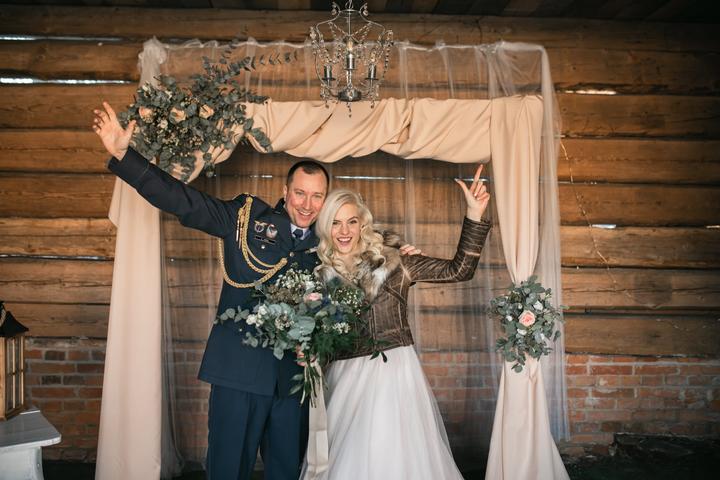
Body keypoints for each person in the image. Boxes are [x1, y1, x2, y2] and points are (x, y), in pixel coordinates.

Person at [92, 102, 326, 480]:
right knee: (227, 470)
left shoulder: (329, 243)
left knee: (288, 471)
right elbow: (184, 201)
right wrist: (124, 155)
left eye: (317, 196)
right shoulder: (246, 218)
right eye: (301, 193)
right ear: (286, 192)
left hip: (291, 382)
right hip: (237, 371)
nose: (308, 205)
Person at [307, 165, 491, 479]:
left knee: (393, 453)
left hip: (392, 370)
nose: (344, 231)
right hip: (345, 377)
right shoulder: (320, 275)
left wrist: (474, 215)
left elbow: (459, 270)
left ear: (363, 224)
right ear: (325, 227)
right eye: (335, 223)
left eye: (352, 221)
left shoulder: (396, 261)